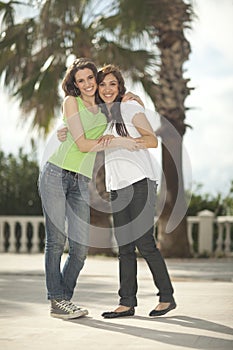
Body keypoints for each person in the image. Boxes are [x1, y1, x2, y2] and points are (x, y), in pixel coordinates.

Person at [58, 64, 176, 318]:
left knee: (144, 242)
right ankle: (126, 303)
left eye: (113, 84)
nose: (107, 89)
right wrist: (63, 129)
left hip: (141, 182)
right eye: (103, 85)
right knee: (123, 247)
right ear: (97, 89)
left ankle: (166, 298)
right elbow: (83, 135)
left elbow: (152, 140)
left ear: (120, 86)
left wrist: (125, 141)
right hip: (117, 186)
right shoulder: (105, 118)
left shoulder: (128, 108)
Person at [39, 58, 144, 320]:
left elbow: (130, 107)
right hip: (55, 173)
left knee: (81, 247)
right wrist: (115, 142)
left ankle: (61, 298)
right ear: (74, 84)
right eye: (81, 80)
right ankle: (59, 300)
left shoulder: (105, 109)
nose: (87, 84)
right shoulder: (70, 102)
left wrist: (132, 96)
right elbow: (84, 145)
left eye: (90, 79)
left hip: (81, 180)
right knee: (56, 242)